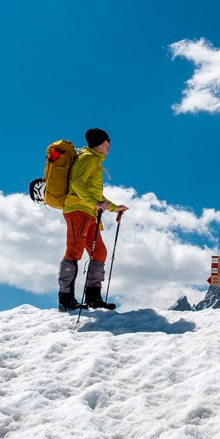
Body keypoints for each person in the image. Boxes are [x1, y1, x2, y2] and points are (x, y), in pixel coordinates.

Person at [57, 128, 128, 311]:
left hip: (89, 212)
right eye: (108, 141)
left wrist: (114, 208)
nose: (110, 145)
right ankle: (66, 299)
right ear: (103, 142)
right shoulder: (87, 158)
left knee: (99, 252)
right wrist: (94, 202)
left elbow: (96, 194)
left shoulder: (94, 161)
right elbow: (76, 183)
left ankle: (93, 298)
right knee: (74, 251)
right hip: (78, 210)